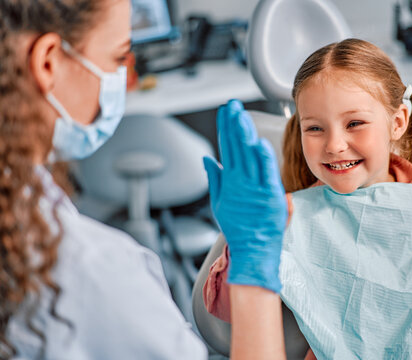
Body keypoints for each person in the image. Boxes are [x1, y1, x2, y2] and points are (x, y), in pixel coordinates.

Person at [0, 0, 287, 359]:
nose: (125, 77)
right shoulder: (92, 271)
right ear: (47, 62)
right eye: (119, 58)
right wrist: (255, 272)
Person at [203, 39, 412, 359]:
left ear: (397, 122)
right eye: (315, 128)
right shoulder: (288, 218)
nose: (335, 145)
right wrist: (244, 248)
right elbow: (226, 308)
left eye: (354, 123)